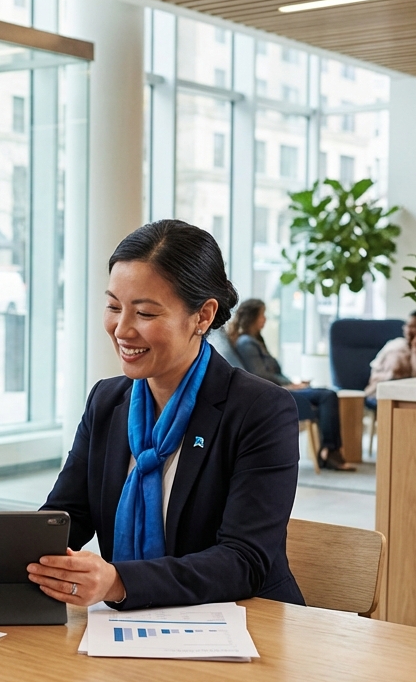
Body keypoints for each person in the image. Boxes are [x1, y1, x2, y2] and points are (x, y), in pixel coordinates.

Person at [31, 220, 304, 610]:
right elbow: (67, 518)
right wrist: (3, 552)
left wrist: (118, 581)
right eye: (113, 307)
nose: (122, 329)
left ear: (203, 316)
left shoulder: (260, 410)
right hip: (130, 629)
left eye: (144, 313)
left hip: (246, 625)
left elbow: (243, 561)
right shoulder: (107, 401)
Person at [228, 299, 356, 471]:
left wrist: (293, 383)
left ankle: (329, 451)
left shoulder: (255, 341)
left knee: (326, 395)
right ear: (253, 317)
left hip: (284, 387)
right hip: (279, 392)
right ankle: (330, 452)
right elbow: (259, 375)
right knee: (327, 395)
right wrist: (289, 386)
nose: (265, 319)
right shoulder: (247, 343)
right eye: (262, 315)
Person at [364, 310, 416, 408]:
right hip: (382, 388)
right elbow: (386, 370)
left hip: (408, 393)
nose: (409, 330)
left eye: (414, 327)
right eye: (407, 326)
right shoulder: (395, 345)